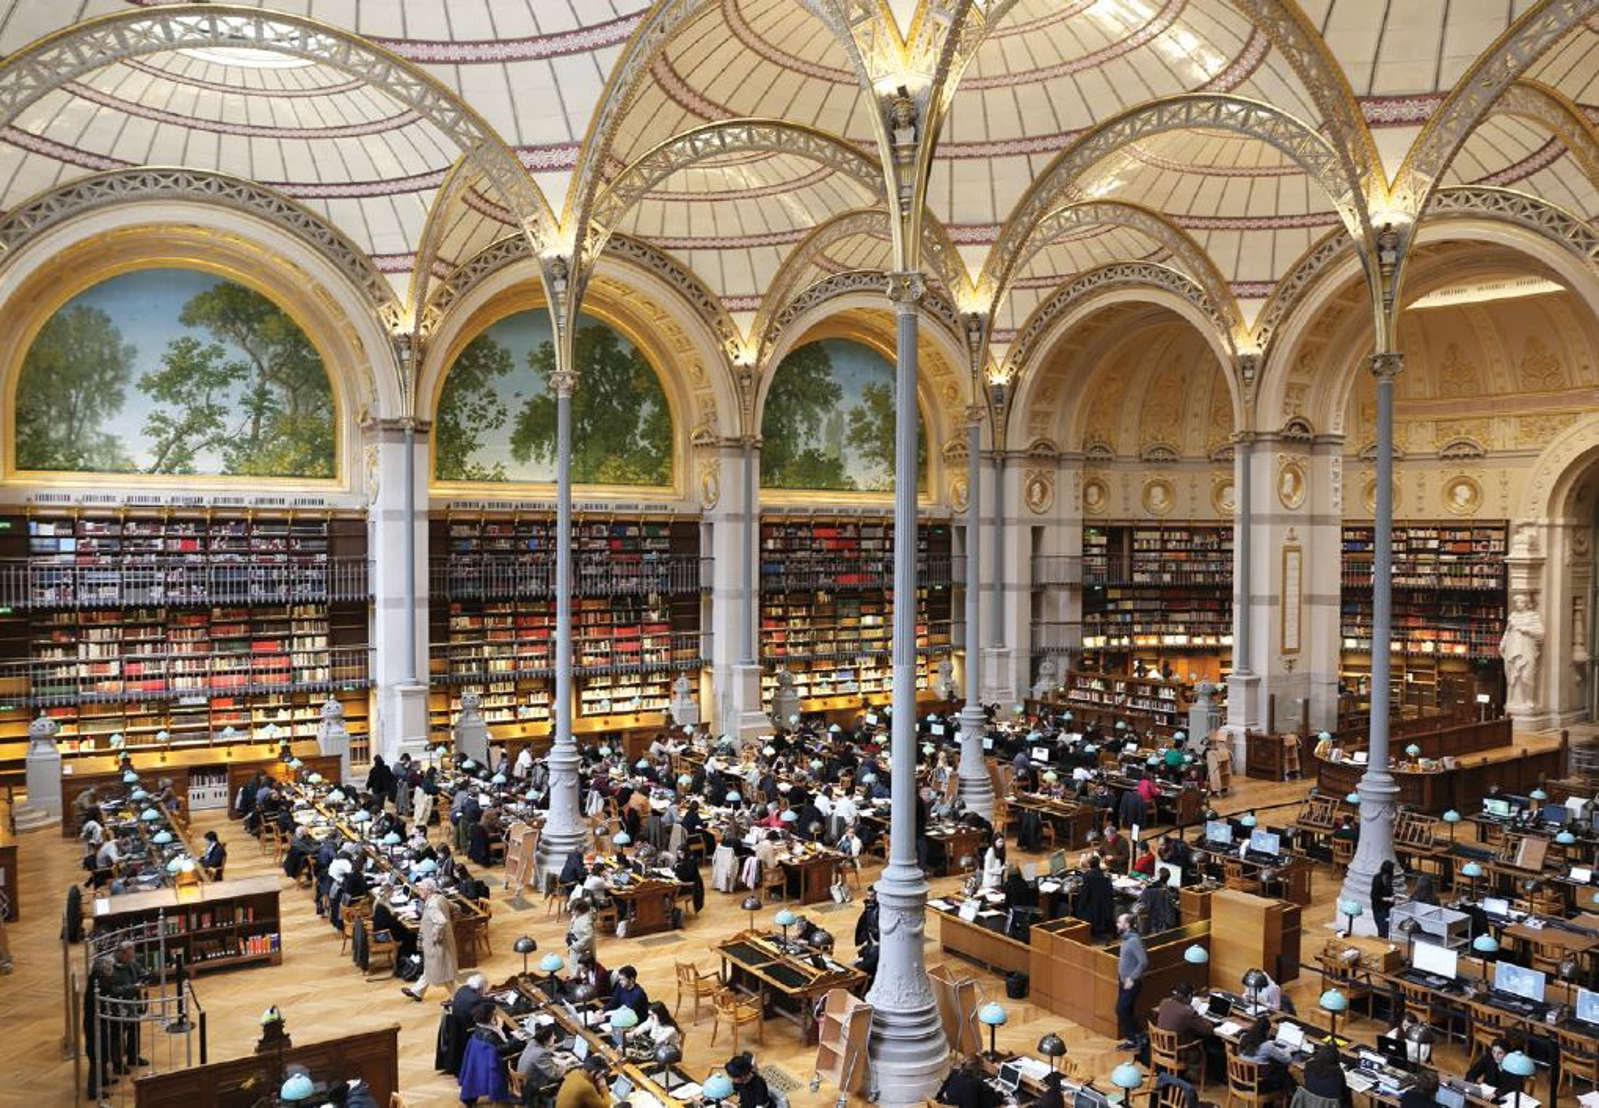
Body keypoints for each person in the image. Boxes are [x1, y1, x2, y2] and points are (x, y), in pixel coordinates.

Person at [402, 880, 458, 1003]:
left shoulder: (432, 905)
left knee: (443, 973)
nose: (419, 891)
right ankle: (417, 991)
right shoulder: (440, 898)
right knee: (430, 968)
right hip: (443, 942)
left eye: (421, 889)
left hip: (437, 945)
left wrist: (434, 936)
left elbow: (441, 921)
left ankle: (457, 998)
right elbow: (456, 908)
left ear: (429, 890)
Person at [1156, 980, 1223, 1079]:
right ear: (1189, 996)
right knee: (1210, 1042)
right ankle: (1214, 1075)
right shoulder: (1187, 1012)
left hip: (1160, 1046)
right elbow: (1208, 1029)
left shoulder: (1164, 1002)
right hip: (1178, 1051)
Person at [456, 1001, 510, 1105]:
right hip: (496, 1062)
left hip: (480, 1060)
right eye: (494, 1014)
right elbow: (503, 1048)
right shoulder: (490, 1034)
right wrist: (517, 1040)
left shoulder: (479, 1027)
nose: (496, 1015)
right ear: (489, 1016)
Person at [1235, 1016, 1293, 1093]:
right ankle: (1289, 1095)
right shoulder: (1266, 1046)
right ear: (1266, 1031)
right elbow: (1287, 1060)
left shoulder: (1244, 1037)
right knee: (1283, 1070)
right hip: (1257, 1085)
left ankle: (1291, 1091)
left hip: (1240, 1081)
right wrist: (1288, 1051)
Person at [1115, 913, 1148, 1049]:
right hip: (1124, 981)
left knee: (1120, 1009)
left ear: (1127, 925)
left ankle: (1139, 1035)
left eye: (1119, 922)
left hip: (1131, 983)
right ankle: (1132, 1040)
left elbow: (1144, 962)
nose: (1117, 924)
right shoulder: (1126, 939)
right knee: (1126, 1010)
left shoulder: (1134, 941)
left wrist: (1132, 978)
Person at [1073, 854, 1116, 939]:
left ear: (1089, 865)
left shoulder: (1087, 876)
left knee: (1076, 904)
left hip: (1092, 907)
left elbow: (1085, 895)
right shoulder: (1105, 875)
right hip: (1104, 907)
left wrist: (1080, 906)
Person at [1137, 868, 1177, 933]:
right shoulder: (1167, 892)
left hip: (1150, 922)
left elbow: (1140, 905)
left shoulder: (1147, 891)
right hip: (1163, 923)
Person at [567, 897, 596, 967]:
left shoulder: (585, 921)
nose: (572, 912)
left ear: (579, 911)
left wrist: (577, 945)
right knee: (574, 965)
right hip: (575, 945)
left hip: (581, 950)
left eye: (573, 910)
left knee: (579, 968)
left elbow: (589, 935)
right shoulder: (577, 917)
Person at [1372, 859, 1396, 938]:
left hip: (1388, 908)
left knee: (1386, 930)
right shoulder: (1377, 879)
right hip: (1379, 908)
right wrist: (1387, 899)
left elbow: (1390, 892)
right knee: (1383, 931)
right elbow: (1374, 896)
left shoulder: (1389, 879)